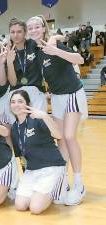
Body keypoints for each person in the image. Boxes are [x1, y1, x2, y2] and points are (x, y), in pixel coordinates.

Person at [27, 15, 88, 205]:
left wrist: (55, 49)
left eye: (37, 26)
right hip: (57, 98)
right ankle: (63, 183)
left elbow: (79, 59)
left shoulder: (53, 44)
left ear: (44, 28)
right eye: (31, 28)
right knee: (60, 140)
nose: (34, 30)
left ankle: (79, 183)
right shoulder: (35, 52)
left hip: (72, 94)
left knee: (69, 137)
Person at [10, 90, 66, 214]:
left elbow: (59, 135)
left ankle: (60, 184)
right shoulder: (14, 128)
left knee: (35, 208)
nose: (16, 104)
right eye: (13, 102)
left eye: (20, 101)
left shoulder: (38, 119)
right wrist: (25, 177)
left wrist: (45, 116)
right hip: (32, 171)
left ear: (27, 104)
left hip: (51, 167)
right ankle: (39, 192)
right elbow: (22, 158)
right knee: (20, 205)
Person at [0, 17, 47, 125]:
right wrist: (10, 62)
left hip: (35, 91)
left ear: (25, 32)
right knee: (17, 128)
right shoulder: (7, 51)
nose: (16, 35)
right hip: (16, 92)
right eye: (12, 32)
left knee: (36, 126)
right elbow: (13, 82)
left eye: (19, 31)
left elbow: (54, 39)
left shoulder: (34, 44)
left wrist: (55, 38)